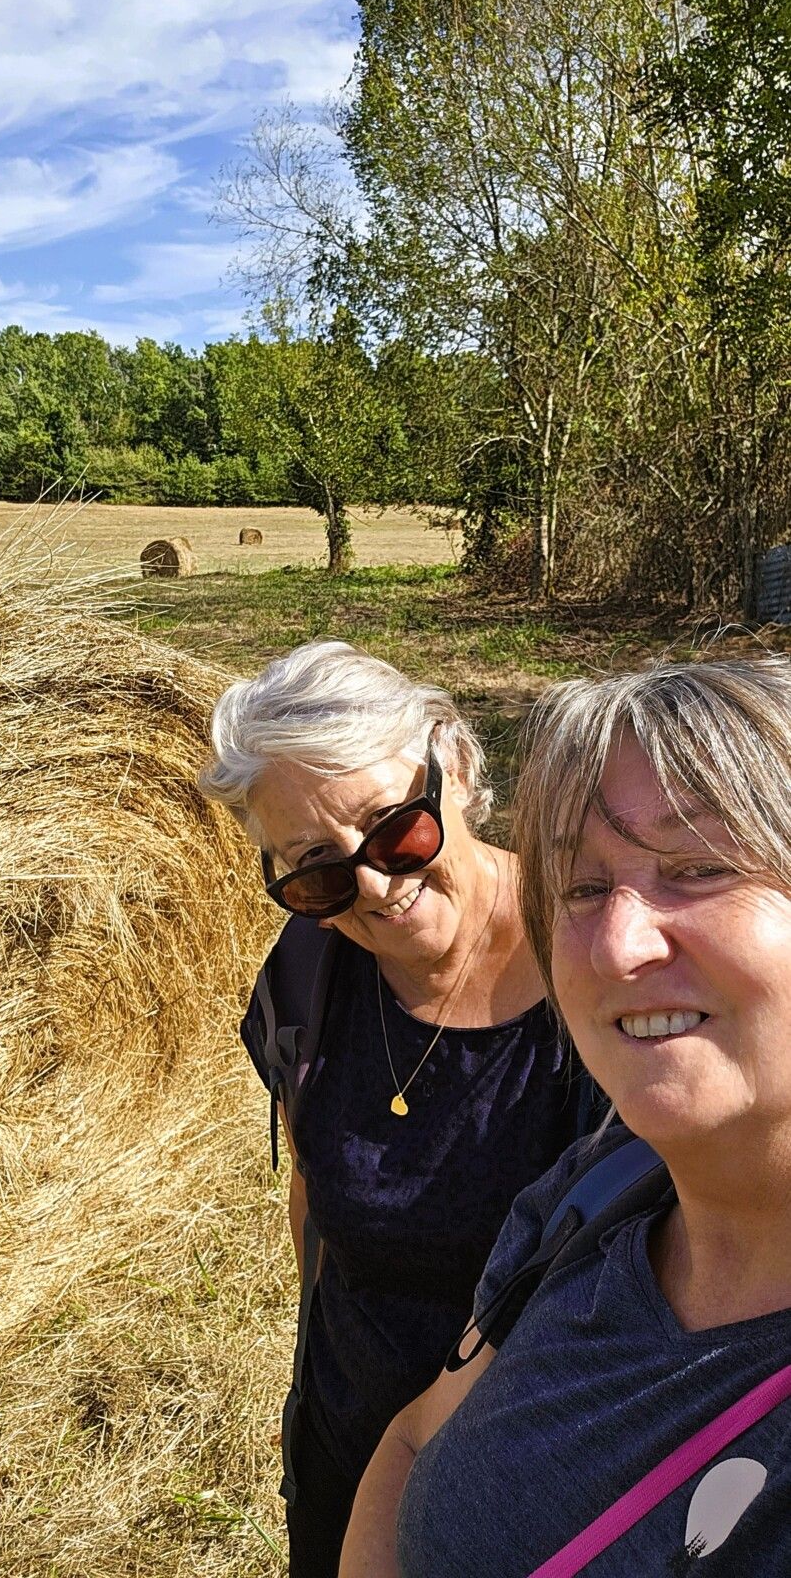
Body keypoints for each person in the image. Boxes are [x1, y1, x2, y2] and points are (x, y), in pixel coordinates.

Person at [339, 657, 791, 1578]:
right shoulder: (595, 1194)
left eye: (697, 868)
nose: (617, 947)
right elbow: (415, 1440)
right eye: (582, 888)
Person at [199, 641, 593, 1578]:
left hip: (544, 1475)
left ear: (452, 764)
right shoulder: (306, 978)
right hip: (347, 1444)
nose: (374, 887)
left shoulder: (601, 963)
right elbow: (313, 1194)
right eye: (315, 869)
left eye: (393, 828)